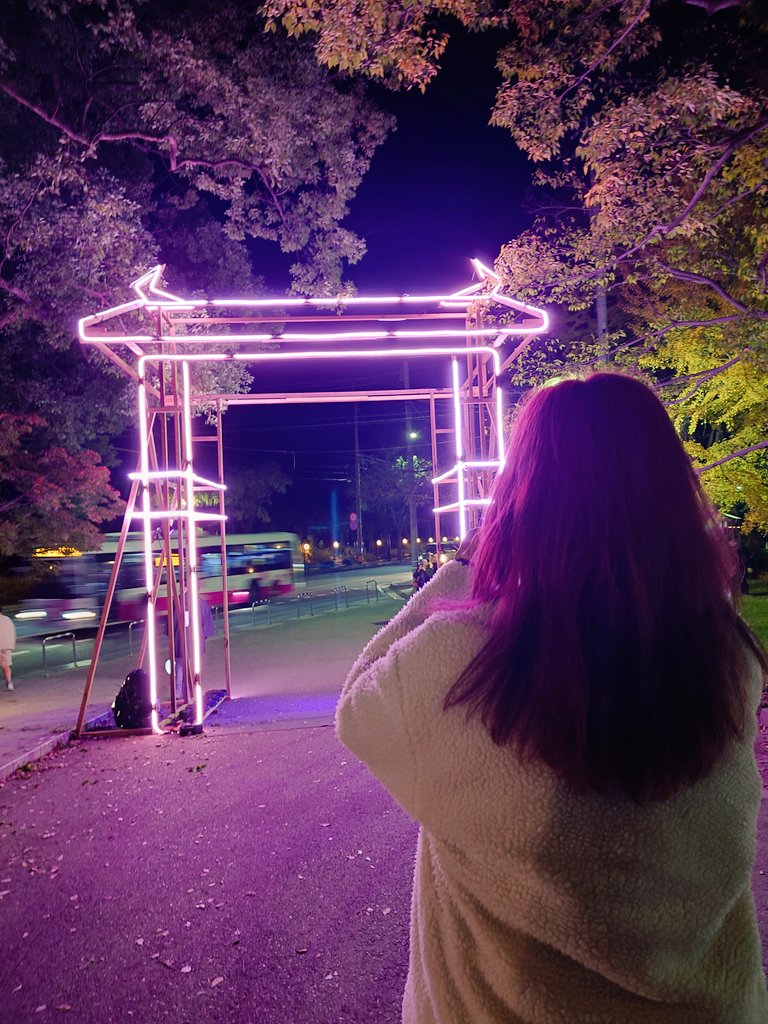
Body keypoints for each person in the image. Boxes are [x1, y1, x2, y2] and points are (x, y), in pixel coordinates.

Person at [336, 371, 768, 1024]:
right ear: (673, 497)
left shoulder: (459, 659)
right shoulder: (725, 656)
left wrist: (464, 562)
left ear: (522, 500)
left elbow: (358, 708)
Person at [0, 606, 16, 692]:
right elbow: (12, 632)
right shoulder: (7, 620)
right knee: (6, 666)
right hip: (7, 646)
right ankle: (9, 683)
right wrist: (11, 645)